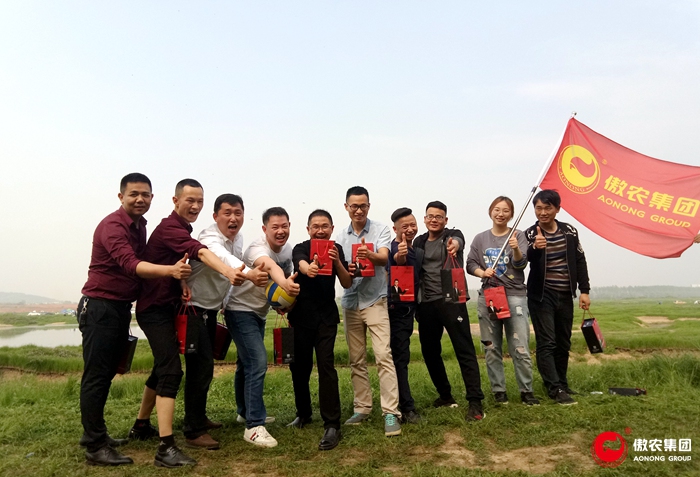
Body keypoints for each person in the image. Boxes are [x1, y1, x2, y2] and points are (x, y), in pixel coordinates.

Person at [128, 179, 250, 467]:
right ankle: (178, 439)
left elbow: (180, 264)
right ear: (175, 201)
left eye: (199, 201)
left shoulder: (182, 229)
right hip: (156, 310)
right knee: (176, 370)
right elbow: (202, 253)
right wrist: (230, 272)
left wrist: (181, 281)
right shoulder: (172, 228)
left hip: (172, 308)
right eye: (190, 200)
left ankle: (142, 425)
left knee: (165, 368)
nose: (195, 206)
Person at [78, 173, 191, 466]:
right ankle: (94, 445)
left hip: (119, 308)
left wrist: (177, 281)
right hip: (100, 307)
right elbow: (131, 264)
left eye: (145, 195)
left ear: (152, 198)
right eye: (133, 194)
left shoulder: (139, 226)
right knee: (96, 376)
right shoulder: (112, 226)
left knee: (106, 374)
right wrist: (171, 271)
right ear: (121, 197)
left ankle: (98, 435)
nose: (140, 199)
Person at [178, 194, 268, 450]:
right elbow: (223, 260)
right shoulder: (209, 238)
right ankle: (193, 430)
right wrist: (250, 274)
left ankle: (198, 417)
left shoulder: (237, 239)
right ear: (215, 216)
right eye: (227, 213)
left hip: (210, 310)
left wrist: (225, 302)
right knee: (199, 369)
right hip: (193, 308)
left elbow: (229, 278)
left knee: (204, 368)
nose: (233, 218)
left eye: (238, 213)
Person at [224, 207, 300, 448]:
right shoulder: (257, 249)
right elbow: (269, 267)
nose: (280, 231)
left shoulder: (287, 249)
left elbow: (276, 286)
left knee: (244, 363)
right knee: (257, 362)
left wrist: (283, 301)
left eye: (284, 226)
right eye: (275, 227)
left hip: (258, 313)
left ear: (290, 226)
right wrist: (286, 284)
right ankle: (254, 426)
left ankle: (245, 412)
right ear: (265, 229)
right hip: (239, 311)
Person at [335, 186, 402, 437]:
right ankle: (362, 407)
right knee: (356, 359)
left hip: (375, 300)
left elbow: (384, 258)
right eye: (354, 206)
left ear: (369, 206)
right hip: (351, 302)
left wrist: (369, 254)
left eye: (363, 205)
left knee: (383, 355)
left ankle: (391, 412)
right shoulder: (340, 237)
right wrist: (349, 269)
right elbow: (342, 273)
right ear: (346, 207)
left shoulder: (381, 230)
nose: (359, 210)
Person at [413, 201, 485, 421]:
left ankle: (475, 402)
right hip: (427, 303)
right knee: (430, 352)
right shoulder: (419, 242)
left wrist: (455, 245)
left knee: (464, 350)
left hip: (452, 301)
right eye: (430, 216)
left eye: (438, 217)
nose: (434, 220)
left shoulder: (452, 236)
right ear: (425, 219)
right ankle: (445, 395)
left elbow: (458, 242)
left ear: (445, 220)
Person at [287, 209, 352, 450]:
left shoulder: (337, 249)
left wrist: (336, 262)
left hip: (326, 318)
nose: (320, 230)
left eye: (325, 226)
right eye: (316, 226)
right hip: (301, 317)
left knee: (326, 366)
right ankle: (303, 414)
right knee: (299, 367)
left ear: (332, 229)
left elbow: (346, 282)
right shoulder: (301, 248)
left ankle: (332, 424)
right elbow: (301, 264)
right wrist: (309, 269)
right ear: (308, 229)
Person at [466, 196, 540, 406]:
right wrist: (482, 272)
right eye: (497, 209)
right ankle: (499, 391)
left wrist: (515, 248)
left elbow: (520, 265)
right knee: (491, 347)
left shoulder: (518, 235)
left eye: (505, 210)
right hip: (489, 296)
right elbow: (470, 263)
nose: (500, 214)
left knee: (520, 346)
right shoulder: (480, 239)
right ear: (490, 211)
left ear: (511, 214)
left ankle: (526, 391)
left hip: (515, 295)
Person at [525, 189, 590, 405]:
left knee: (563, 342)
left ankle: (562, 383)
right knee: (547, 342)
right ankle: (554, 388)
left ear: (557, 209)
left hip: (565, 294)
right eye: (538, 208)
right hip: (541, 296)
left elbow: (580, 260)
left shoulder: (569, 231)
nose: (542, 212)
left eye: (547, 208)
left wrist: (584, 290)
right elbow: (527, 259)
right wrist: (536, 247)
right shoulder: (530, 233)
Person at [386, 207, 422, 423]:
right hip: (395, 312)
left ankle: (400, 403)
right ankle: (406, 408)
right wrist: (400, 255)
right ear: (395, 229)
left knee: (401, 357)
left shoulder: (415, 249)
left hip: (409, 311)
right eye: (404, 226)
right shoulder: (393, 248)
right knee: (399, 358)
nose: (410, 229)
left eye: (413, 225)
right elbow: (397, 260)